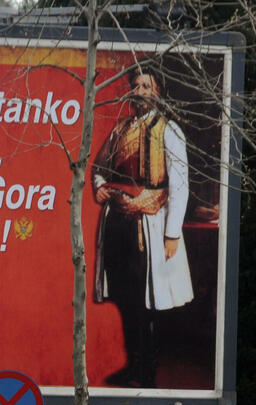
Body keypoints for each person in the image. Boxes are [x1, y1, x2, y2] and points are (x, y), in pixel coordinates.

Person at [92, 65, 194, 388]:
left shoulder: (169, 131)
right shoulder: (120, 130)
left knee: (146, 299)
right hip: (118, 225)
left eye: (146, 86)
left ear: (157, 92)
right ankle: (133, 363)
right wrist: (100, 187)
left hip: (149, 225)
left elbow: (180, 185)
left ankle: (147, 369)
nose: (139, 92)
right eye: (135, 86)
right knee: (124, 296)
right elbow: (98, 167)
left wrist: (172, 233)